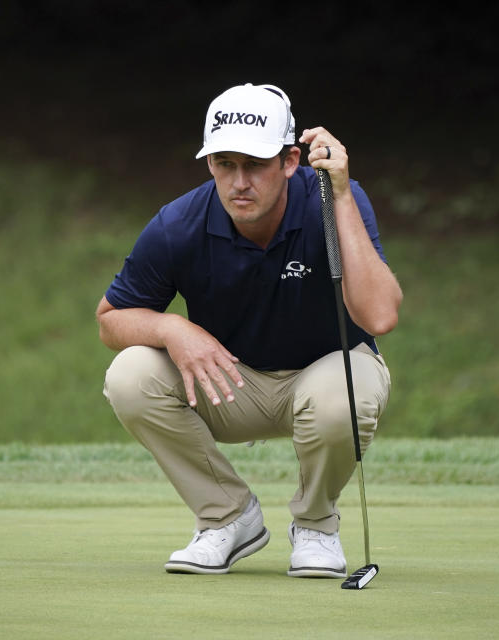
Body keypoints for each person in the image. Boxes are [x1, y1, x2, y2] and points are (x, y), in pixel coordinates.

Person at [97, 83, 402, 578]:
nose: (240, 181)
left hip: (322, 378)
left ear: (290, 161)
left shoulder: (330, 201)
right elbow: (111, 319)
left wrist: (342, 194)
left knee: (350, 385)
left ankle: (316, 525)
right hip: (230, 384)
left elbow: (380, 317)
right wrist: (173, 327)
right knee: (130, 373)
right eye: (225, 163)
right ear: (210, 163)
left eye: (256, 165)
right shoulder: (179, 223)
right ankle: (228, 516)